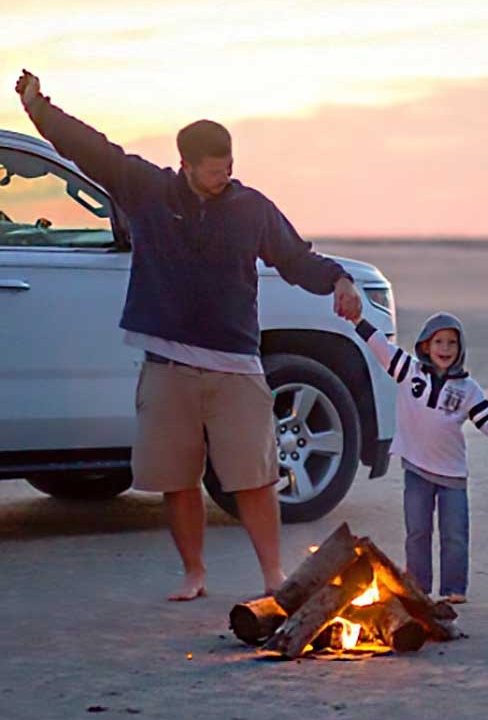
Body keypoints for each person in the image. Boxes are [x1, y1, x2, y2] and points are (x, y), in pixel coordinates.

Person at [16, 70, 362, 601]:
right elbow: (91, 149)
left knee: (255, 476)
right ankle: (195, 574)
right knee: (177, 478)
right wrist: (39, 108)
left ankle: (273, 575)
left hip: (237, 366)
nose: (224, 177)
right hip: (167, 364)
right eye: (214, 171)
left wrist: (337, 279)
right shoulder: (149, 190)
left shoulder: (252, 209)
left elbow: (296, 259)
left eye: (229, 168)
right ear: (186, 164)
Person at [351, 312, 488, 603]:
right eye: (438, 341)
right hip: (416, 468)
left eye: (452, 343)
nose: (445, 348)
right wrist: (357, 320)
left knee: (454, 535)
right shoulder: (408, 371)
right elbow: (381, 347)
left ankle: (455, 589)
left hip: (452, 474)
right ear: (425, 346)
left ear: (460, 349)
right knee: (417, 532)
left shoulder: (468, 389)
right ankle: (418, 585)